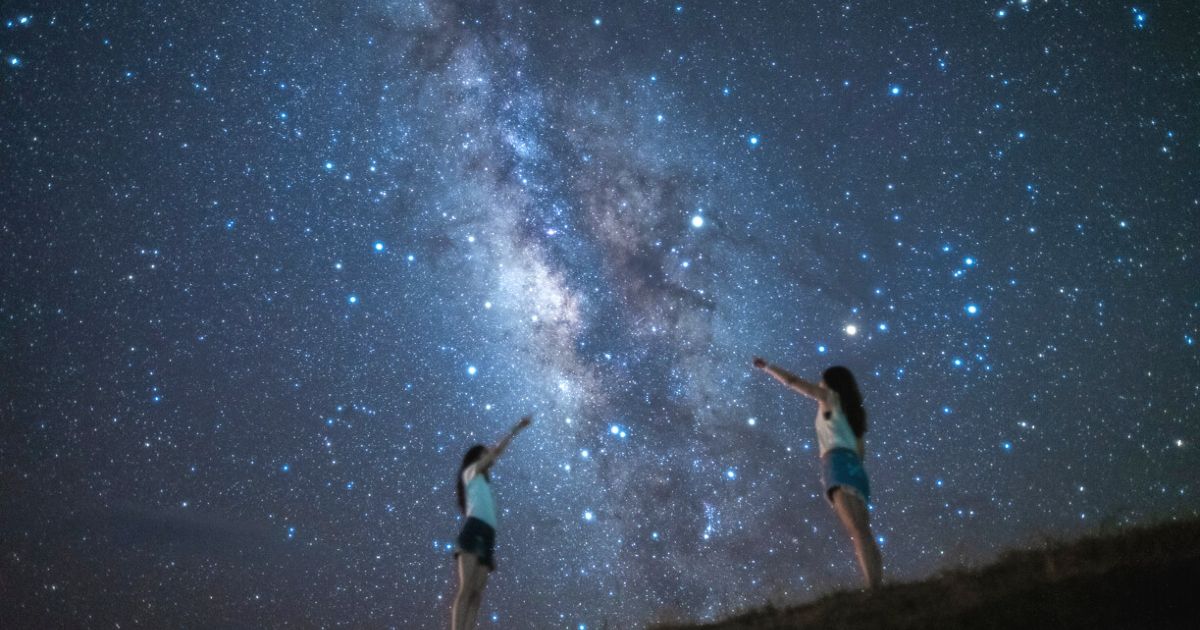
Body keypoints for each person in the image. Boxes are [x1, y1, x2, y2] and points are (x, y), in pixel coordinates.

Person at [753, 358, 882, 589]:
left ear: (830, 383)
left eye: (822, 379)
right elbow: (861, 453)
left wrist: (768, 367)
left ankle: (874, 588)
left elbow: (794, 382)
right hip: (856, 470)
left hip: (838, 464)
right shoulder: (855, 416)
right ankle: (878, 584)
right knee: (863, 529)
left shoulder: (830, 398)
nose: (819, 383)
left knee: (857, 530)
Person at [451, 415, 532, 630]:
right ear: (477, 457)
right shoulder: (470, 473)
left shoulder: (485, 484)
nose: (490, 455)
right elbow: (497, 452)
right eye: (485, 452)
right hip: (475, 527)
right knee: (466, 587)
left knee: (477, 593)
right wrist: (516, 428)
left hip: (488, 534)